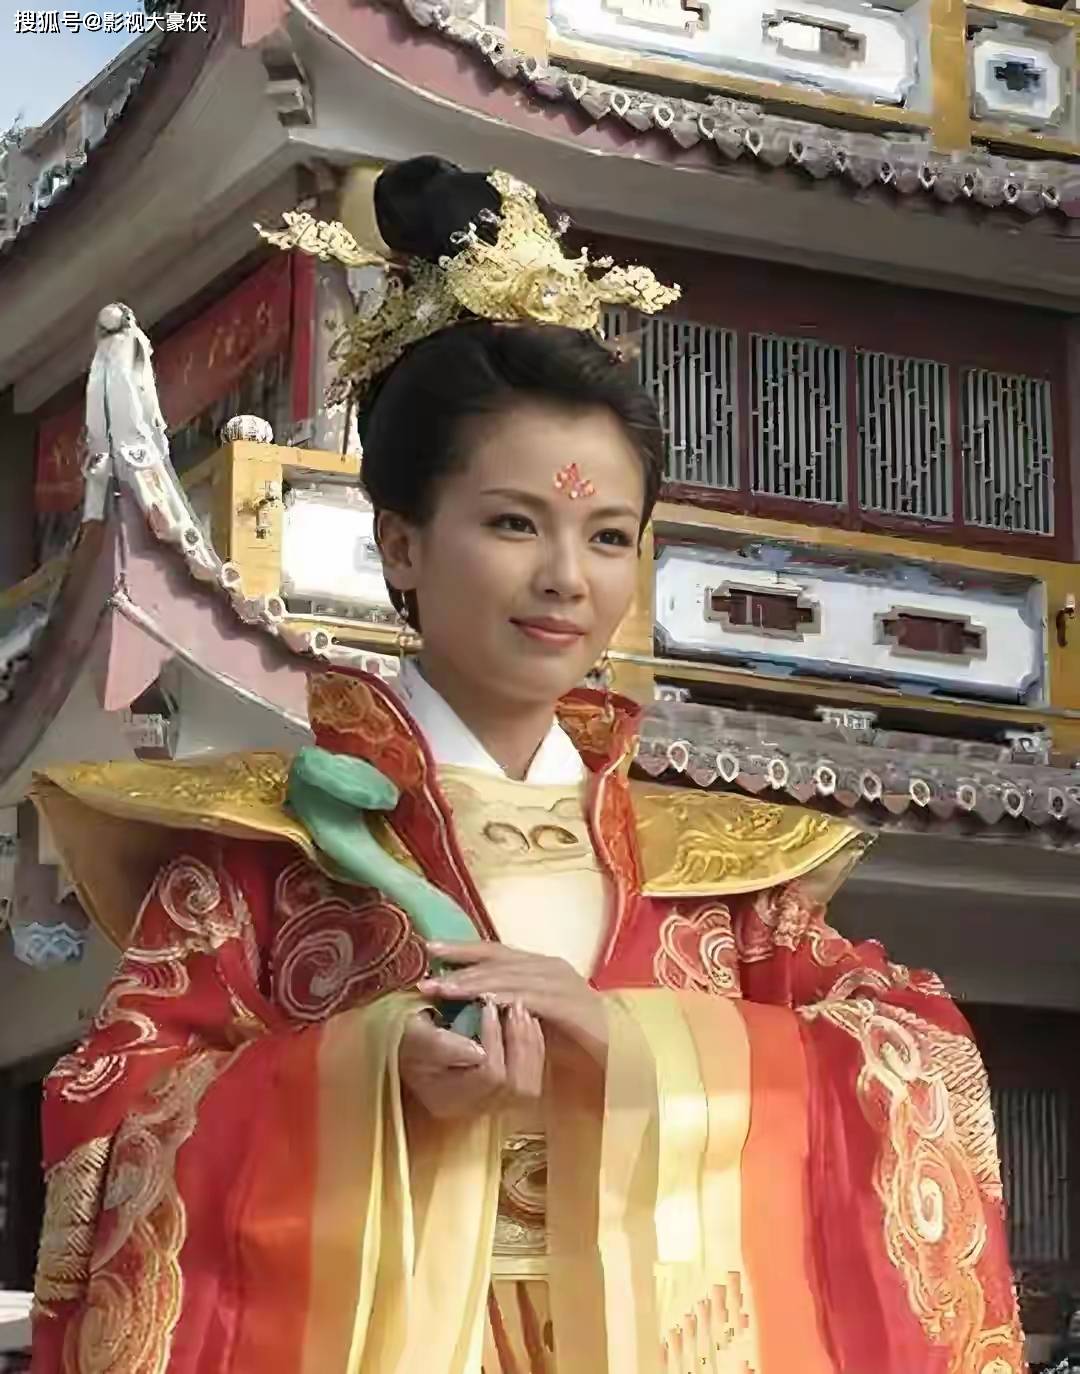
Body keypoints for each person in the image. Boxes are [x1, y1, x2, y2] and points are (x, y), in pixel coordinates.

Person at [29, 158, 1024, 1374]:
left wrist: (634, 1043)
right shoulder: (267, 854)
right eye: (513, 523)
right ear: (401, 543)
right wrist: (374, 1079)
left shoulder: (715, 876)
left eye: (607, 536)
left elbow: (918, 1060)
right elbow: (115, 1114)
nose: (566, 578)